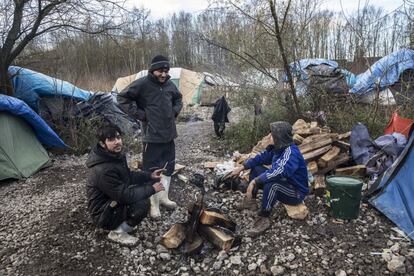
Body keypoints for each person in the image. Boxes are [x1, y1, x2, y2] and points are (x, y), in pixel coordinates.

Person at [117, 55, 183, 219]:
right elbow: (122, 98)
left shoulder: (169, 84)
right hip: (151, 137)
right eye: (160, 71)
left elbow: (178, 98)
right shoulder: (142, 84)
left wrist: (174, 111)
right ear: (152, 70)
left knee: (168, 169)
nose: (163, 74)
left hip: (169, 135)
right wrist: (141, 114)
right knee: (152, 171)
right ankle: (154, 205)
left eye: (166, 71)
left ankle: (164, 198)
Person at [86, 124, 164, 245]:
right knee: (142, 204)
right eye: (111, 139)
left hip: (110, 201)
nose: (117, 142)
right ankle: (117, 233)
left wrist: (149, 175)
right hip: (102, 214)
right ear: (102, 144)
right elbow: (124, 195)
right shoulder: (103, 169)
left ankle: (123, 224)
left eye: (118, 137)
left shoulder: (112, 157)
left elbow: (128, 176)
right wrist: (152, 189)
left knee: (140, 191)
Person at [230, 121, 309, 236]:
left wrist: (254, 181)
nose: (268, 136)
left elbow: (278, 172)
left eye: (271, 134)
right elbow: (260, 158)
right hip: (285, 183)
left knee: (272, 185)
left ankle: (264, 217)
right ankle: (250, 202)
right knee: (256, 168)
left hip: (295, 192)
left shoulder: (291, 153)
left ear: (279, 137)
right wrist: (242, 167)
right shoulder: (277, 148)